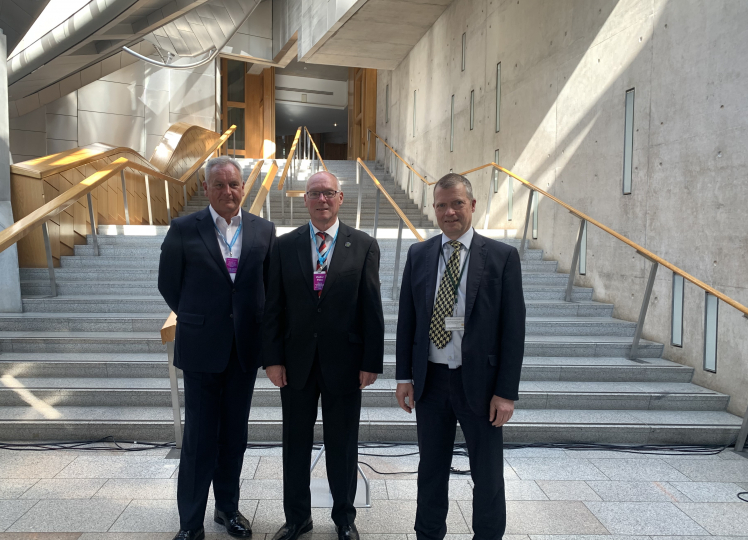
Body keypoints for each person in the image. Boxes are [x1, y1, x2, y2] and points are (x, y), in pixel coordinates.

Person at [394, 173, 526, 540]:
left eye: (456, 203)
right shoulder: (419, 253)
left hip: (481, 386)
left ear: (472, 205)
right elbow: (409, 319)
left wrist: (506, 392)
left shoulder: (501, 257)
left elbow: (513, 330)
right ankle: (428, 534)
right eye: (441, 205)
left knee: (487, 472)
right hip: (432, 382)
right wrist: (404, 377)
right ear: (434, 209)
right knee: (430, 468)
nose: (449, 212)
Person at [262, 171, 385, 540]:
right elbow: (273, 307)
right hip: (295, 364)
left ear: (341, 197)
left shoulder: (362, 245)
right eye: (315, 194)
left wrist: (370, 362)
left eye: (328, 193)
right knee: (295, 445)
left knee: (343, 445)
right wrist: (272, 358)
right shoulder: (284, 246)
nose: (322, 200)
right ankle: (297, 518)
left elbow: (371, 309)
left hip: (345, 364)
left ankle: (344, 519)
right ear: (305, 200)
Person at [158, 156, 276, 540]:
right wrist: (199, 317)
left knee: (234, 437)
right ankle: (190, 522)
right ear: (206, 188)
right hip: (201, 349)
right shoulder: (182, 229)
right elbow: (169, 285)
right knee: (199, 438)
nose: (229, 191)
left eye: (235, 184)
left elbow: (269, 288)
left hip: (244, 350)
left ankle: (227, 509)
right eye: (220, 185)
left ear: (244, 187)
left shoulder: (263, 230)